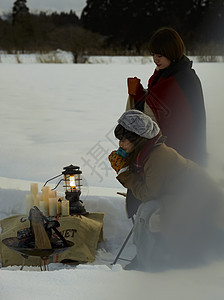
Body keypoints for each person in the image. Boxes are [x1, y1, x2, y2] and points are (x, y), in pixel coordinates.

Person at [108, 110, 224, 271]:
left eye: (123, 139)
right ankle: (148, 255)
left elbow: (148, 194)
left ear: (137, 139)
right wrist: (127, 165)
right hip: (182, 194)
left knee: (146, 210)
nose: (120, 144)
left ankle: (146, 262)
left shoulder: (157, 157)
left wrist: (124, 172)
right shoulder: (146, 153)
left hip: (200, 199)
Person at [126, 27, 206, 166]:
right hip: (162, 148)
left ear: (172, 53)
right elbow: (154, 105)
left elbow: (168, 116)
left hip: (179, 152)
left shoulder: (183, 80)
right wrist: (138, 94)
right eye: (154, 54)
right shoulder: (162, 73)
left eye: (160, 55)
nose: (155, 59)